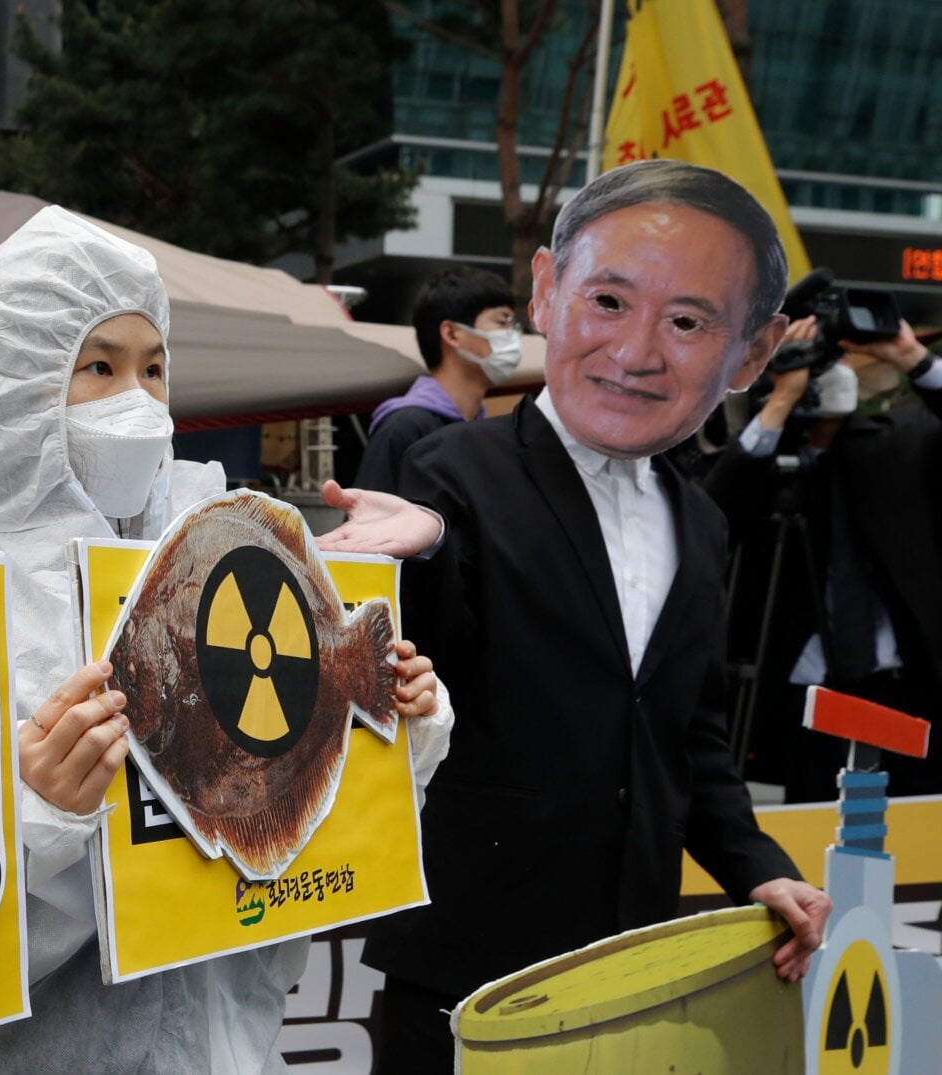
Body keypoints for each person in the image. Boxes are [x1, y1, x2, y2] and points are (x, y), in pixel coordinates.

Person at [0, 206, 453, 1073]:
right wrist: (41, 825)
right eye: (97, 367)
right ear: (16, 386)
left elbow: (289, 859)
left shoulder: (226, 565)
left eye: (153, 369)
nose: (135, 401)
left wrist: (388, 735)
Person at [361, 159, 833, 1073]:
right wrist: (414, 556)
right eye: (610, 301)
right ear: (546, 289)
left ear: (752, 351)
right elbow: (406, 679)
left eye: (688, 320)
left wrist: (759, 864)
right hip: (466, 971)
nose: (637, 351)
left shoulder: (700, 520)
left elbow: (688, 739)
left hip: (634, 974)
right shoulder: (446, 475)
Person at [705, 315, 942, 801]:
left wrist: (910, 357)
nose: (826, 375)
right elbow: (714, 516)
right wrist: (781, 398)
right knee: (814, 845)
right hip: (805, 695)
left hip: (907, 684)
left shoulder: (899, 442)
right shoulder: (767, 462)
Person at [353, 267, 519, 494]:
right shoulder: (404, 427)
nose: (513, 336)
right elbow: (366, 521)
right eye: (502, 321)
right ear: (451, 333)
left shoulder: (485, 431)